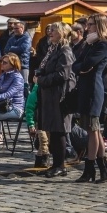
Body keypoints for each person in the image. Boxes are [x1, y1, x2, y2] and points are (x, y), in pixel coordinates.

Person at [73, 14, 107, 183]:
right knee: (93, 130)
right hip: (84, 88)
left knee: (92, 130)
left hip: (93, 90)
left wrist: (82, 67)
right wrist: (81, 67)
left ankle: (90, 167)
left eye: (90, 25)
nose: (87, 27)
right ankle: (103, 167)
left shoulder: (103, 44)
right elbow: (77, 65)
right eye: (87, 24)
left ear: (98, 26)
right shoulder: (89, 44)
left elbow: (86, 65)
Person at [35, 22, 75, 178]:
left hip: (59, 96)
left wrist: (42, 80)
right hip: (48, 95)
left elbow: (62, 75)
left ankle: (60, 165)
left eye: (53, 30)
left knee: (59, 131)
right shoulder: (52, 50)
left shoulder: (65, 51)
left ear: (62, 33)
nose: (50, 32)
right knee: (52, 130)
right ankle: (55, 164)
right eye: (49, 30)